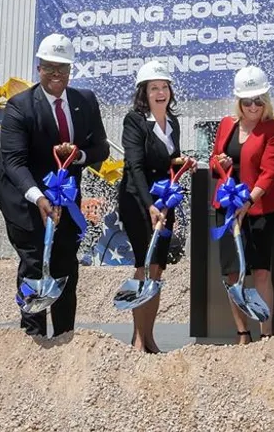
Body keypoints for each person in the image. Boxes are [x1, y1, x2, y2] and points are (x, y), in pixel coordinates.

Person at [0, 33, 109, 337]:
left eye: (63, 69)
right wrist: (38, 198)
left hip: (67, 201)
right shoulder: (19, 107)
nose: (56, 75)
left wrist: (79, 155)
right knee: (34, 265)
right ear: (39, 68)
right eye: (49, 68)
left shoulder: (85, 101)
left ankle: (65, 339)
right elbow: (14, 162)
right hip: (26, 200)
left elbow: (101, 149)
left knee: (65, 266)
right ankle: (33, 340)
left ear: (70, 70)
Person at [117, 60, 189, 353]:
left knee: (158, 268)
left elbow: (171, 161)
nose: (160, 93)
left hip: (164, 203)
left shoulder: (173, 123)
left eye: (164, 87)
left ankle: (150, 335)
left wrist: (183, 164)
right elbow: (133, 165)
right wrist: (148, 205)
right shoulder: (134, 121)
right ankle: (137, 338)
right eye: (153, 88)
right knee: (143, 265)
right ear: (143, 93)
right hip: (138, 201)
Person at [211, 65, 274, 344]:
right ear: (239, 102)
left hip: (258, 210)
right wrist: (221, 164)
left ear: (265, 100)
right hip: (227, 208)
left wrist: (248, 200)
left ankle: (266, 334)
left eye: (258, 100)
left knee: (262, 273)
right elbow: (214, 159)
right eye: (247, 101)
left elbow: (270, 171)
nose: (253, 106)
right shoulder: (226, 125)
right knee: (233, 274)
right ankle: (242, 333)